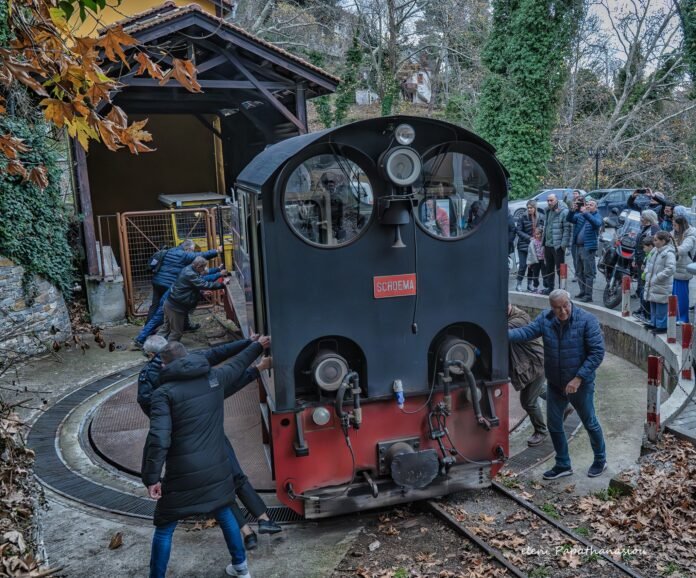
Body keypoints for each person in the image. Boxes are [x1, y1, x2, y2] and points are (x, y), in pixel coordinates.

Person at [138, 336, 280, 551]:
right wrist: (255, 350)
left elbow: (157, 433)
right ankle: (256, 528)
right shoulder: (197, 368)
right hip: (208, 433)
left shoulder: (156, 381)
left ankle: (250, 531)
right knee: (229, 481)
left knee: (219, 492)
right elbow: (228, 366)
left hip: (185, 441)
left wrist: (151, 477)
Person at [508, 290, 606, 480]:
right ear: (551, 307)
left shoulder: (587, 320)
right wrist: (502, 334)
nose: (562, 311)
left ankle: (600, 460)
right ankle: (562, 464)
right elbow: (527, 332)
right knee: (554, 425)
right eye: (557, 308)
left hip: (580, 384)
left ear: (570, 302)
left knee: (590, 422)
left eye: (565, 306)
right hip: (555, 384)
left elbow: (597, 353)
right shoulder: (546, 318)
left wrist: (578, 379)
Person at [134, 267, 227, 348]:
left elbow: (192, 286)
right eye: (203, 272)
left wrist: (202, 292)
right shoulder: (193, 276)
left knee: (168, 324)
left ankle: (154, 343)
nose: (204, 273)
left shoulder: (192, 273)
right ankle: (141, 339)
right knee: (159, 321)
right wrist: (219, 275)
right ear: (199, 270)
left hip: (173, 301)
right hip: (170, 302)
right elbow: (206, 281)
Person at [147, 239, 221, 323]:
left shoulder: (171, 250)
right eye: (192, 250)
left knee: (155, 305)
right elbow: (201, 256)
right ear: (188, 248)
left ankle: (147, 325)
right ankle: (159, 327)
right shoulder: (184, 255)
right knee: (179, 304)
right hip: (168, 284)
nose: (192, 252)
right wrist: (216, 251)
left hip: (157, 281)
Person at [159, 257, 227, 342]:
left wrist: (201, 293)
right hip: (176, 307)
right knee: (176, 333)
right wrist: (222, 284)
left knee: (166, 329)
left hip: (171, 304)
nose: (204, 269)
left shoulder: (190, 269)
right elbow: (204, 284)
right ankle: (168, 352)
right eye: (203, 267)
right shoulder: (190, 273)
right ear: (198, 266)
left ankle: (152, 347)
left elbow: (188, 287)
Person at [507, 304, 548, 446]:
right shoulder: (510, 316)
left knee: (528, 402)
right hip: (530, 365)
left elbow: (500, 330)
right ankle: (567, 402)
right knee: (539, 390)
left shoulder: (520, 318)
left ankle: (541, 431)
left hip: (534, 364)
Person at [566, 197, 602, 303]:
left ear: (596, 207)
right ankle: (582, 291)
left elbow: (597, 224)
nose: (588, 206)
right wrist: (572, 210)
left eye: (591, 205)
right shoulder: (581, 215)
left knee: (588, 272)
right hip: (578, 247)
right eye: (588, 204)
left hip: (588, 248)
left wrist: (586, 213)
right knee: (579, 271)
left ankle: (588, 295)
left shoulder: (596, 216)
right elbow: (570, 219)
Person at [644, 231, 677, 334]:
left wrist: (657, 277)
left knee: (661, 305)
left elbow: (670, 269)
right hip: (653, 282)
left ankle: (662, 326)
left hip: (661, 284)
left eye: (656, 240)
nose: (654, 242)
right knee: (653, 303)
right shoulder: (655, 250)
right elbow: (649, 263)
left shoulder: (669, 253)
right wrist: (647, 274)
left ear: (663, 241)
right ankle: (654, 323)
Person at [632, 210, 660, 319]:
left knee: (645, 287)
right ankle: (642, 308)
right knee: (641, 286)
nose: (640, 219)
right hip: (640, 260)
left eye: (642, 217)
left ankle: (646, 312)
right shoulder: (643, 228)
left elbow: (651, 249)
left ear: (648, 218)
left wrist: (645, 262)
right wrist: (635, 258)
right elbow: (638, 245)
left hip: (646, 261)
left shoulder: (654, 229)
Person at [541, 194, 571, 294]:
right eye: (548, 200)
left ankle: (561, 290)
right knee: (549, 268)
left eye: (551, 200)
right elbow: (546, 227)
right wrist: (543, 242)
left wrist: (563, 245)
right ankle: (550, 288)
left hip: (558, 245)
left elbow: (567, 229)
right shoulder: (548, 211)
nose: (549, 202)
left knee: (559, 269)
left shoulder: (564, 211)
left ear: (556, 200)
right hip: (548, 244)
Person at [671, 215, 696, 324]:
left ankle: (682, 318)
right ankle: (675, 316)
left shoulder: (690, 235)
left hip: (683, 269)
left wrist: (673, 249)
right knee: (674, 295)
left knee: (681, 296)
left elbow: (684, 248)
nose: (673, 227)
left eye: (675, 225)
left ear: (680, 225)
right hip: (676, 268)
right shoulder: (674, 233)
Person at [515, 201, 543, 292]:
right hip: (523, 245)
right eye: (528, 207)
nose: (529, 209)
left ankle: (529, 285)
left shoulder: (539, 217)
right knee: (522, 266)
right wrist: (529, 238)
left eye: (531, 207)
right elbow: (518, 231)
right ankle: (518, 284)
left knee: (532, 266)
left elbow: (541, 229)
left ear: (535, 208)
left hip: (534, 246)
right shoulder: (522, 217)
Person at [527, 228, 545, 292]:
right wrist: (529, 263)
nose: (537, 236)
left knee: (544, 274)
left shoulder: (544, 241)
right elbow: (530, 253)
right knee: (535, 274)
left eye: (539, 234)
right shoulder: (532, 242)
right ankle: (535, 287)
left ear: (541, 234)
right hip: (535, 260)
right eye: (536, 234)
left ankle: (545, 287)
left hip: (543, 260)